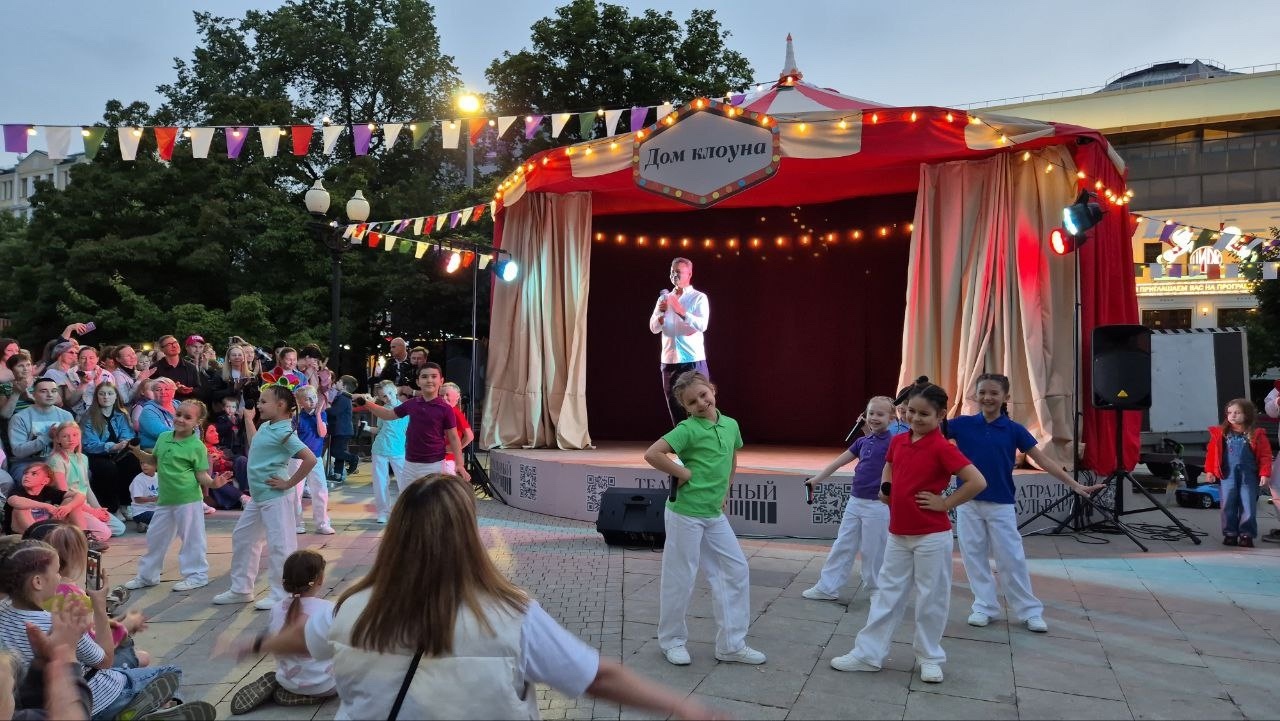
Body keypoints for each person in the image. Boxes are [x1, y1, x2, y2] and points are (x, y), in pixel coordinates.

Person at [232, 475, 715, 720]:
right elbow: (595, 677)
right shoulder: (512, 615)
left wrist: (254, 644)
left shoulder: (352, 608)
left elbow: (307, 639)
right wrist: (683, 707)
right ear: (468, 534)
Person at [829, 384, 987, 684]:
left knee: (931, 597)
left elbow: (976, 481)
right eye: (911, 411)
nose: (915, 418)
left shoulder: (943, 448)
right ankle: (868, 654)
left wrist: (945, 503)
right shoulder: (899, 441)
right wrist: (886, 489)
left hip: (931, 536)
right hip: (898, 534)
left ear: (941, 415)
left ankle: (929, 657)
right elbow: (889, 465)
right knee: (887, 594)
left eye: (924, 414)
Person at [948, 373, 1104, 631]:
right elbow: (926, 426)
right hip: (967, 502)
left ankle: (1029, 611)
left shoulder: (1014, 429)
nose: (987, 397)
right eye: (982, 392)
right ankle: (984, 606)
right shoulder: (961, 424)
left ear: (1006, 397)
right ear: (975, 395)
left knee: (1011, 558)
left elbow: (1043, 460)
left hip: (1001, 503)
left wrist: (1074, 484)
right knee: (973, 557)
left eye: (994, 393)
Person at [0, 539, 213, 720]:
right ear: (37, 582)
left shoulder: (3, 610)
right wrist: (99, 606)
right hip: (88, 700)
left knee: (131, 659)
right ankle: (141, 710)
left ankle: (148, 708)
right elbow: (104, 660)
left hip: (39, 706)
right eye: (56, 571)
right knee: (171, 672)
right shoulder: (59, 623)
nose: (59, 577)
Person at [642, 371, 765, 667]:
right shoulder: (687, 429)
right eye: (692, 402)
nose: (700, 402)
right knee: (680, 577)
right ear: (685, 408)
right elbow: (653, 454)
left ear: (712, 390)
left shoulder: (730, 425)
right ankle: (672, 641)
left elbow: (732, 458)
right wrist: (683, 472)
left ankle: (731, 646)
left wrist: (725, 491)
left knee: (735, 570)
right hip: (684, 513)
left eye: (703, 395)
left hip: (713, 514)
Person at [212, 384, 318, 611]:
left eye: (263, 401)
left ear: (280, 405)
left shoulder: (285, 432)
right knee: (244, 537)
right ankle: (241, 589)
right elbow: (256, 442)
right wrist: (248, 420)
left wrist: (289, 482)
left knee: (281, 545)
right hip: (260, 497)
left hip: (276, 497)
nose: (258, 405)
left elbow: (310, 459)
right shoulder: (268, 426)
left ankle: (283, 594)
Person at [122, 400, 234, 593]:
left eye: (187, 417)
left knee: (192, 539)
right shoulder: (163, 437)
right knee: (155, 537)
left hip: (188, 500)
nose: (181, 419)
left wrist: (214, 483)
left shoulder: (196, 446)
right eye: (179, 414)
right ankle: (148, 575)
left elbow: (201, 475)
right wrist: (136, 452)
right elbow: (153, 460)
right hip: (165, 499)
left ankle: (197, 575)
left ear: (197, 422)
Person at [800, 396, 896, 603]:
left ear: (892, 418)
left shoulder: (894, 443)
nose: (874, 417)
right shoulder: (862, 442)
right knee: (843, 544)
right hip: (855, 502)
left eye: (880, 414)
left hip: (878, 505)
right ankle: (827, 587)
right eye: (871, 413)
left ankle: (877, 591)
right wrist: (816, 480)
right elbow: (838, 462)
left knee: (873, 550)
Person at [228, 549, 336, 715]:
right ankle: (311, 695)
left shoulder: (276, 609)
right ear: (320, 579)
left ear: (284, 580)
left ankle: (287, 687)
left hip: (289, 682)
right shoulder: (329, 609)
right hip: (326, 686)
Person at [42, 524, 151, 670]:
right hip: (86, 666)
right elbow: (97, 648)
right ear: (78, 555)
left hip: (65, 656)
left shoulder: (45, 590)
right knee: (143, 657)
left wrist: (114, 622)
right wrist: (126, 626)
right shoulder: (74, 596)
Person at [357, 364, 469, 485]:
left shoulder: (445, 409)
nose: (429, 380)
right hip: (410, 463)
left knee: (431, 495)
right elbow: (388, 414)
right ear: (418, 382)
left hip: (434, 463)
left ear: (441, 381)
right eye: (424, 376)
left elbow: (453, 437)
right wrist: (366, 403)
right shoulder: (411, 403)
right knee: (409, 495)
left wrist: (459, 464)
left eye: (433, 376)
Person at [649, 258, 711, 426]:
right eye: (672, 271)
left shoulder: (699, 298)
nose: (674, 275)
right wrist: (661, 315)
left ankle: (704, 442)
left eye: (678, 272)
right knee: (676, 410)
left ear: (689, 274)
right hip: (669, 361)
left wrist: (681, 311)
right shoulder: (664, 299)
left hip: (693, 360)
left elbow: (702, 325)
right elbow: (653, 328)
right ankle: (683, 443)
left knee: (700, 408)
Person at [1205, 398, 1272, 548]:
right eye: (1229, 412)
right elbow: (1212, 454)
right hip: (1227, 475)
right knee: (1228, 503)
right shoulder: (1221, 434)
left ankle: (1246, 535)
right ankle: (1230, 533)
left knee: (1248, 504)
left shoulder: (1256, 434)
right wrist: (1210, 471)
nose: (1232, 416)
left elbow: (1265, 456)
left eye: (1237, 412)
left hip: (1249, 476)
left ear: (1247, 414)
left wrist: (1265, 473)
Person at [45, 423, 121, 540]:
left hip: (85, 505)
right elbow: (63, 493)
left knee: (119, 528)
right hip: (71, 505)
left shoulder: (83, 458)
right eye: (65, 436)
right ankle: (75, 532)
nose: (71, 439)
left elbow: (86, 488)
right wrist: (92, 512)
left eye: (75, 435)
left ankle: (75, 530)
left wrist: (98, 509)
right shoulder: (56, 459)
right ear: (58, 439)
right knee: (105, 533)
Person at [78, 382, 140, 520]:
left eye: (110, 393)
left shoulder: (121, 415)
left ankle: (125, 503)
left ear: (115, 396)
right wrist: (112, 447)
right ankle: (112, 508)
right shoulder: (89, 417)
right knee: (108, 468)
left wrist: (124, 443)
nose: (106, 397)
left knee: (133, 462)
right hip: (97, 454)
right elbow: (89, 444)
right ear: (97, 397)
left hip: (118, 452)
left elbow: (127, 434)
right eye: (102, 394)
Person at [7, 379, 74, 479]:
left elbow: (73, 447)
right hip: (27, 463)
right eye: (43, 391)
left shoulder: (66, 416)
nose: (50, 395)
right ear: (33, 394)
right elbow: (18, 452)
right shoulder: (20, 418)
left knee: (80, 474)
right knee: (35, 480)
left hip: (58, 461)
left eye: (54, 391)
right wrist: (47, 437)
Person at [291, 386, 332, 535]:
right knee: (295, 492)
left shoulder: (322, 414)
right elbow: (292, 438)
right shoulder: (296, 417)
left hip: (316, 458)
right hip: (298, 459)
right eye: (307, 399)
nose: (312, 401)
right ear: (300, 402)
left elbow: (322, 433)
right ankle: (297, 523)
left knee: (320, 489)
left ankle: (322, 523)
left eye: (313, 397)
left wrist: (319, 414)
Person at [4, 465, 87, 537]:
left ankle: (83, 537)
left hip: (47, 531)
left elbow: (80, 496)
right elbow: (13, 500)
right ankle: (40, 537)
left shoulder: (48, 491)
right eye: (25, 473)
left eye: (34, 474)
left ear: (45, 481)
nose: (27, 476)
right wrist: (46, 506)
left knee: (70, 501)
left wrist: (69, 507)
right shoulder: (18, 490)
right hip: (23, 535)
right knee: (21, 508)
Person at [366, 381, 408, 524]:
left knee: (404, 481)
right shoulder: (382, 410)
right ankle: (382, 512)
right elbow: (379, 430)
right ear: (380, 398)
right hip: (380, 449)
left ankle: (405, 511)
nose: (388, 398)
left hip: (399, 450)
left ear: (395, 390)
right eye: (384, 396)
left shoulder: (406, 408)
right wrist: (366, 428)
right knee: (380, 482)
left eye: (389, 393)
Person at [324, 376, 358, 484]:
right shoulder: (344, 397)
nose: (336, 383)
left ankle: (352, 458)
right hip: (341, 430)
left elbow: (334, 411)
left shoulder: (343, 398)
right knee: (340, 452)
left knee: (335, 451)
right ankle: (337, 475)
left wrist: (323, 410)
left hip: (341, 430)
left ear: (344, 386)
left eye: (339, 381)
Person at [149, 336, 203, 404]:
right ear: (162, 349)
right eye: (169, 344)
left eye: (175, 342)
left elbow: (199, 389)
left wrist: (189, 390)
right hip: (164, 406)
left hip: (186, 406)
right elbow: (150, 390)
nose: (174, 346)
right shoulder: (155, 368)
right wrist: (173, 388)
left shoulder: (191, 367)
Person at [440, 381, 474, 476]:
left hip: (447, 460)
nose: (444, 398)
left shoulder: (455, 412)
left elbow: (469, 436)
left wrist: (455, 449)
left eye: (447, 395)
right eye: (441, 395)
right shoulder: (445, 411)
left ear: (457, 396)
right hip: (440, 458)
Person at [135, 378, 177, 451]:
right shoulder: (148, 410)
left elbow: (194, 425)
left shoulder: (179, 405)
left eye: (167, 389)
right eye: (158, 390)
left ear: (174, 392)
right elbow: (161, 433)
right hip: (155, 448)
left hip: (178, 445)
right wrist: (187, 435)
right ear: (153, 393)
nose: (163, 392)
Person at [1, 351, 37, 420]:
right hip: (17, 423)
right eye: (20, 366)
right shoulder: (4, 387)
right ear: (12, 369)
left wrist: (31, 398)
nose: (25, 369)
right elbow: (5, 415)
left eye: (28, 365)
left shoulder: (41, 382)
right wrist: (16, 393)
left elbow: (56, 405)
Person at [128, 458, 159, 533]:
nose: (144, 465)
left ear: (156, 465)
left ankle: (146, 525)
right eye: (142, 463)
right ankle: (148, 526)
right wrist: (154, 499)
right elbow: (137, 499)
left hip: (156, 509)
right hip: (141, 512)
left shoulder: (159, 476)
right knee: (163, 517)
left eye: (148, 463)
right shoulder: (138, 479)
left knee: (172, 514)